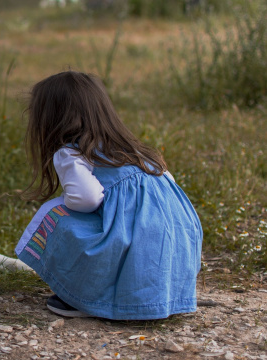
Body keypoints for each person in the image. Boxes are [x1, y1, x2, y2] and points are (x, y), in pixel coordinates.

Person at [15, 71, 202, 320]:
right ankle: (157, 295)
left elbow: (87, 198)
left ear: (51, 120)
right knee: (133, 229)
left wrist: (66, 203)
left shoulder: (71, 153)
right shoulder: (135, 151)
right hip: (176, 244)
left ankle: (86, 297)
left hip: (134, 244)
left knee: (56, 213)